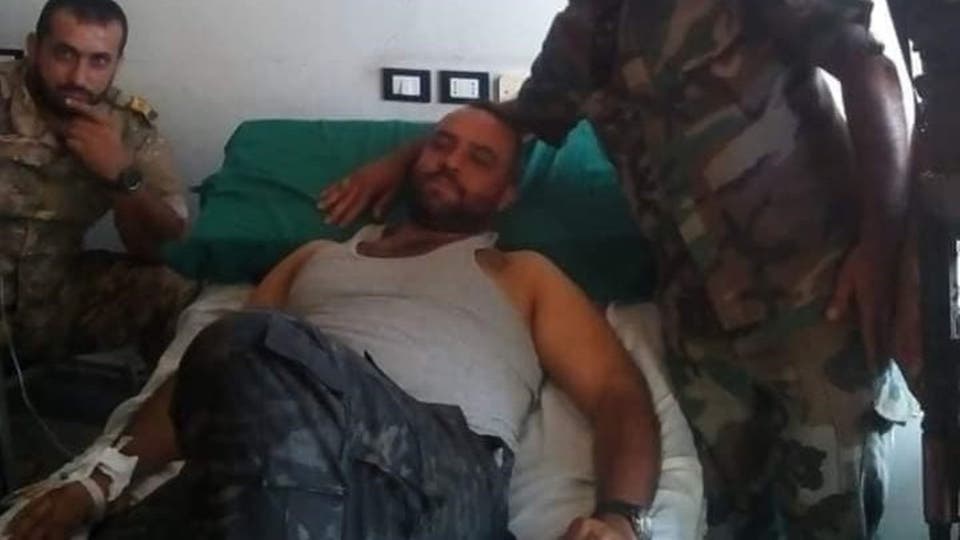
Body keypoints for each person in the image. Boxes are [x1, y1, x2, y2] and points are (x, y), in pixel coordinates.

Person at [319, 1, 918, 537]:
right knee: (722, 518)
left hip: (815, 298)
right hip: (699, 327)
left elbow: (872, 72)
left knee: (834, 517)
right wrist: (404, 160)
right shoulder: (582, 31)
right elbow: (511, 119)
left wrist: (881, 248)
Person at [5, 104, 662, 540]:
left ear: (507, 194)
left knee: (246, 339)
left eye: (479, 159)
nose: (450, 162)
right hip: (282, 459)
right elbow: (208, 382)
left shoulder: (523, 272)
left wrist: (619, 517)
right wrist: (99, 479)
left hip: (437, 470)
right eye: (441, 145)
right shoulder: (315, 256)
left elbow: (618, 395)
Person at [0, 0, 196, 368]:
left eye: (98, 61)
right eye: (64, 54)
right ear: (34, 48)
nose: (78, 77)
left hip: (54, 300)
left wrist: (123, 176)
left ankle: (157, 405)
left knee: (177, 291)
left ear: (116, 64)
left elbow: (164, 249)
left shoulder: (130, 129)